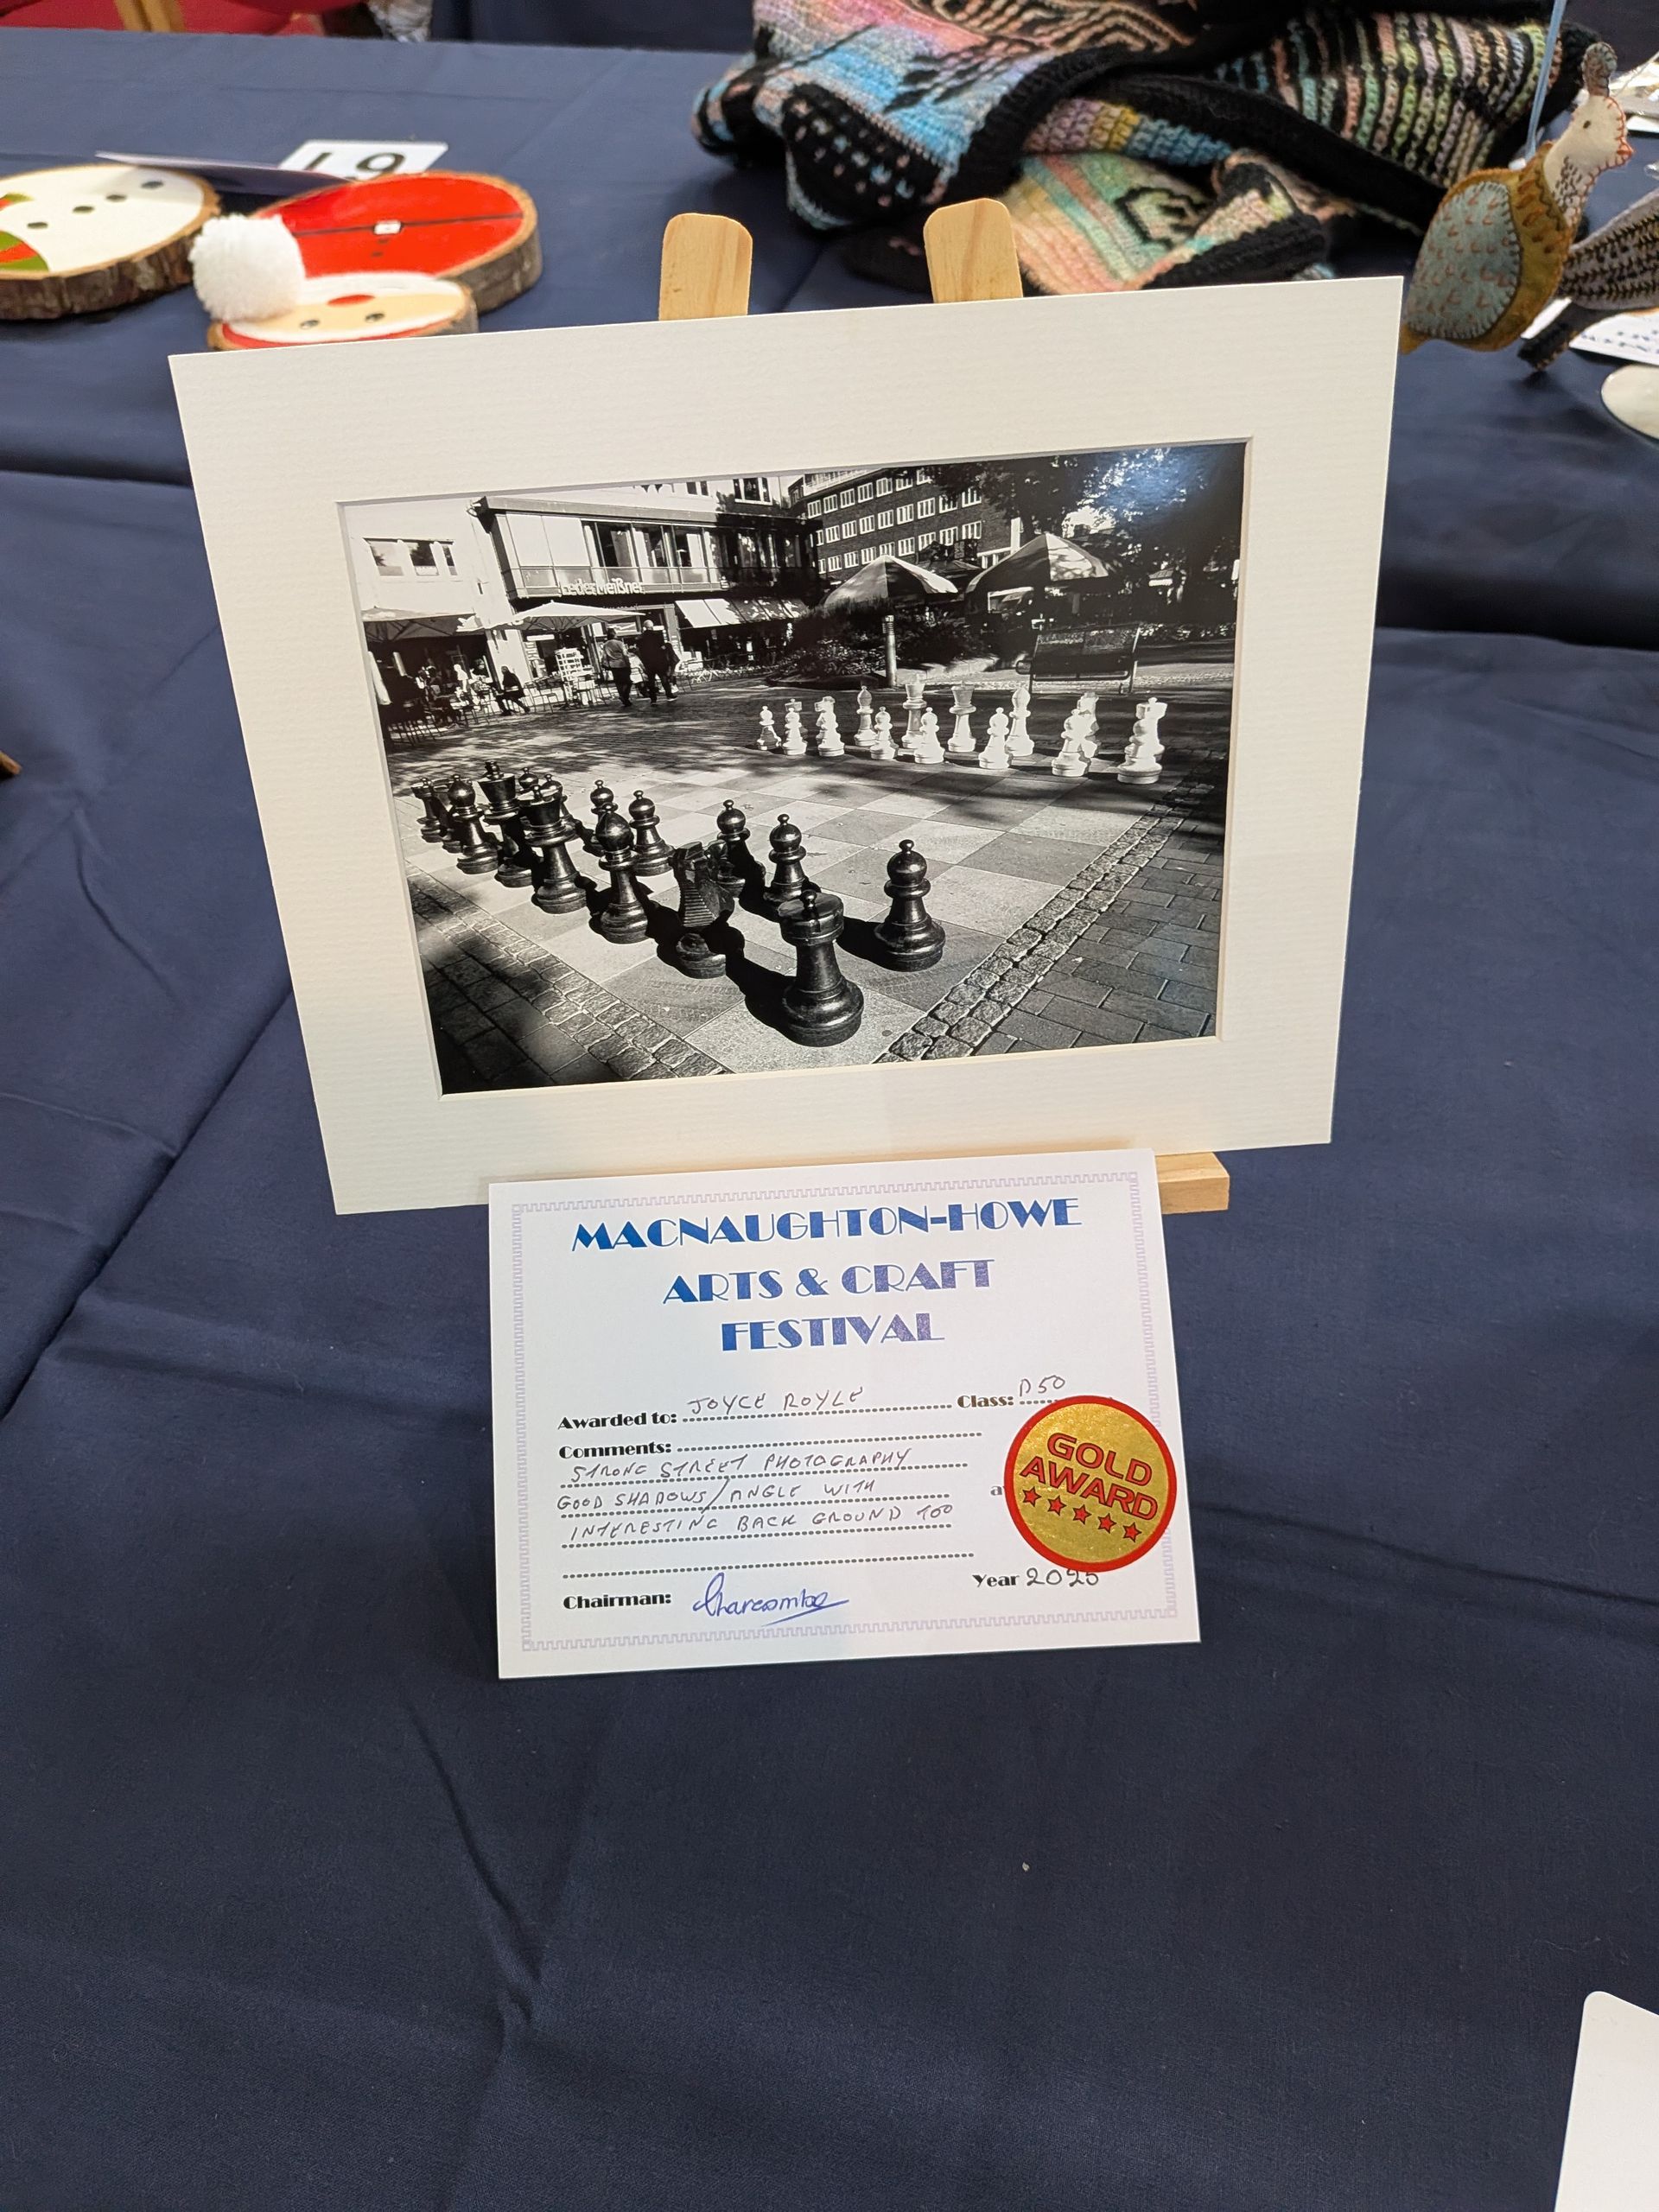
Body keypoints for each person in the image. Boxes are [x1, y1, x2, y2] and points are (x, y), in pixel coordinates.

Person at [634, 621, 678, 707]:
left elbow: (639, 650)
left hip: (648, 662)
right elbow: (662, 647)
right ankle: (669, 694)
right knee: (664, 678)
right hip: (659, 661)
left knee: (651, 681)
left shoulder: (640, 638)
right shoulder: (657, 635)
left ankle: (653, 699)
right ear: (652, 626)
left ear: (644, 627)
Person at [601, 633, 632, 708]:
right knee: (627, 682)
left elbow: (604, 656)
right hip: (622, 664)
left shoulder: (606, 645)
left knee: (618, 682)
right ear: (614, 635)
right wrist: (628, 664)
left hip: (613, 665)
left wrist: (605, 664)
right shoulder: (620, 643)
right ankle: (625, 696)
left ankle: (622, 696)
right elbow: (625, 655)